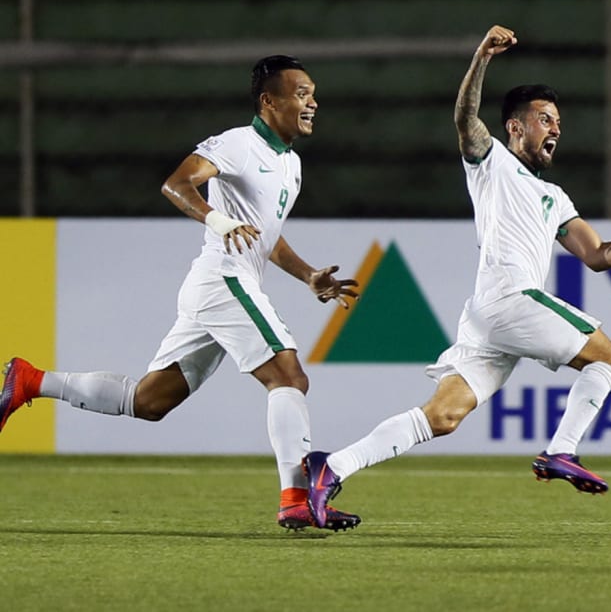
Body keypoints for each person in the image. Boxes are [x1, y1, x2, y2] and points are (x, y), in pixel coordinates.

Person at [301, 25, 611, 527]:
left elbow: (594, 254)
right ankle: (561, 450)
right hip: (511, 297)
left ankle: (331, 468)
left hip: (489, 316)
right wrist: (481, 57)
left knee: (443, 416)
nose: (556, 128)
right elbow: (464, 118)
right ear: (515, 127)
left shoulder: (555, 197)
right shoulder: (492, 161)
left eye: (559, 121)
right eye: (544, 119)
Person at [0, 55, 362, 531]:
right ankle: (296, 499)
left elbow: (266, 237)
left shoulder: (290, 164)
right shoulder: (238, 143)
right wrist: (218, 219)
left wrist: (308, 275)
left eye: (313, 94)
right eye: (300, 94)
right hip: (223, 279)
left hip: (219, 286)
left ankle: (31, 380)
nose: (312, 102)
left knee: (149, 402)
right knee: (288, 377)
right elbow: (176, 184)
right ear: (269, 101)